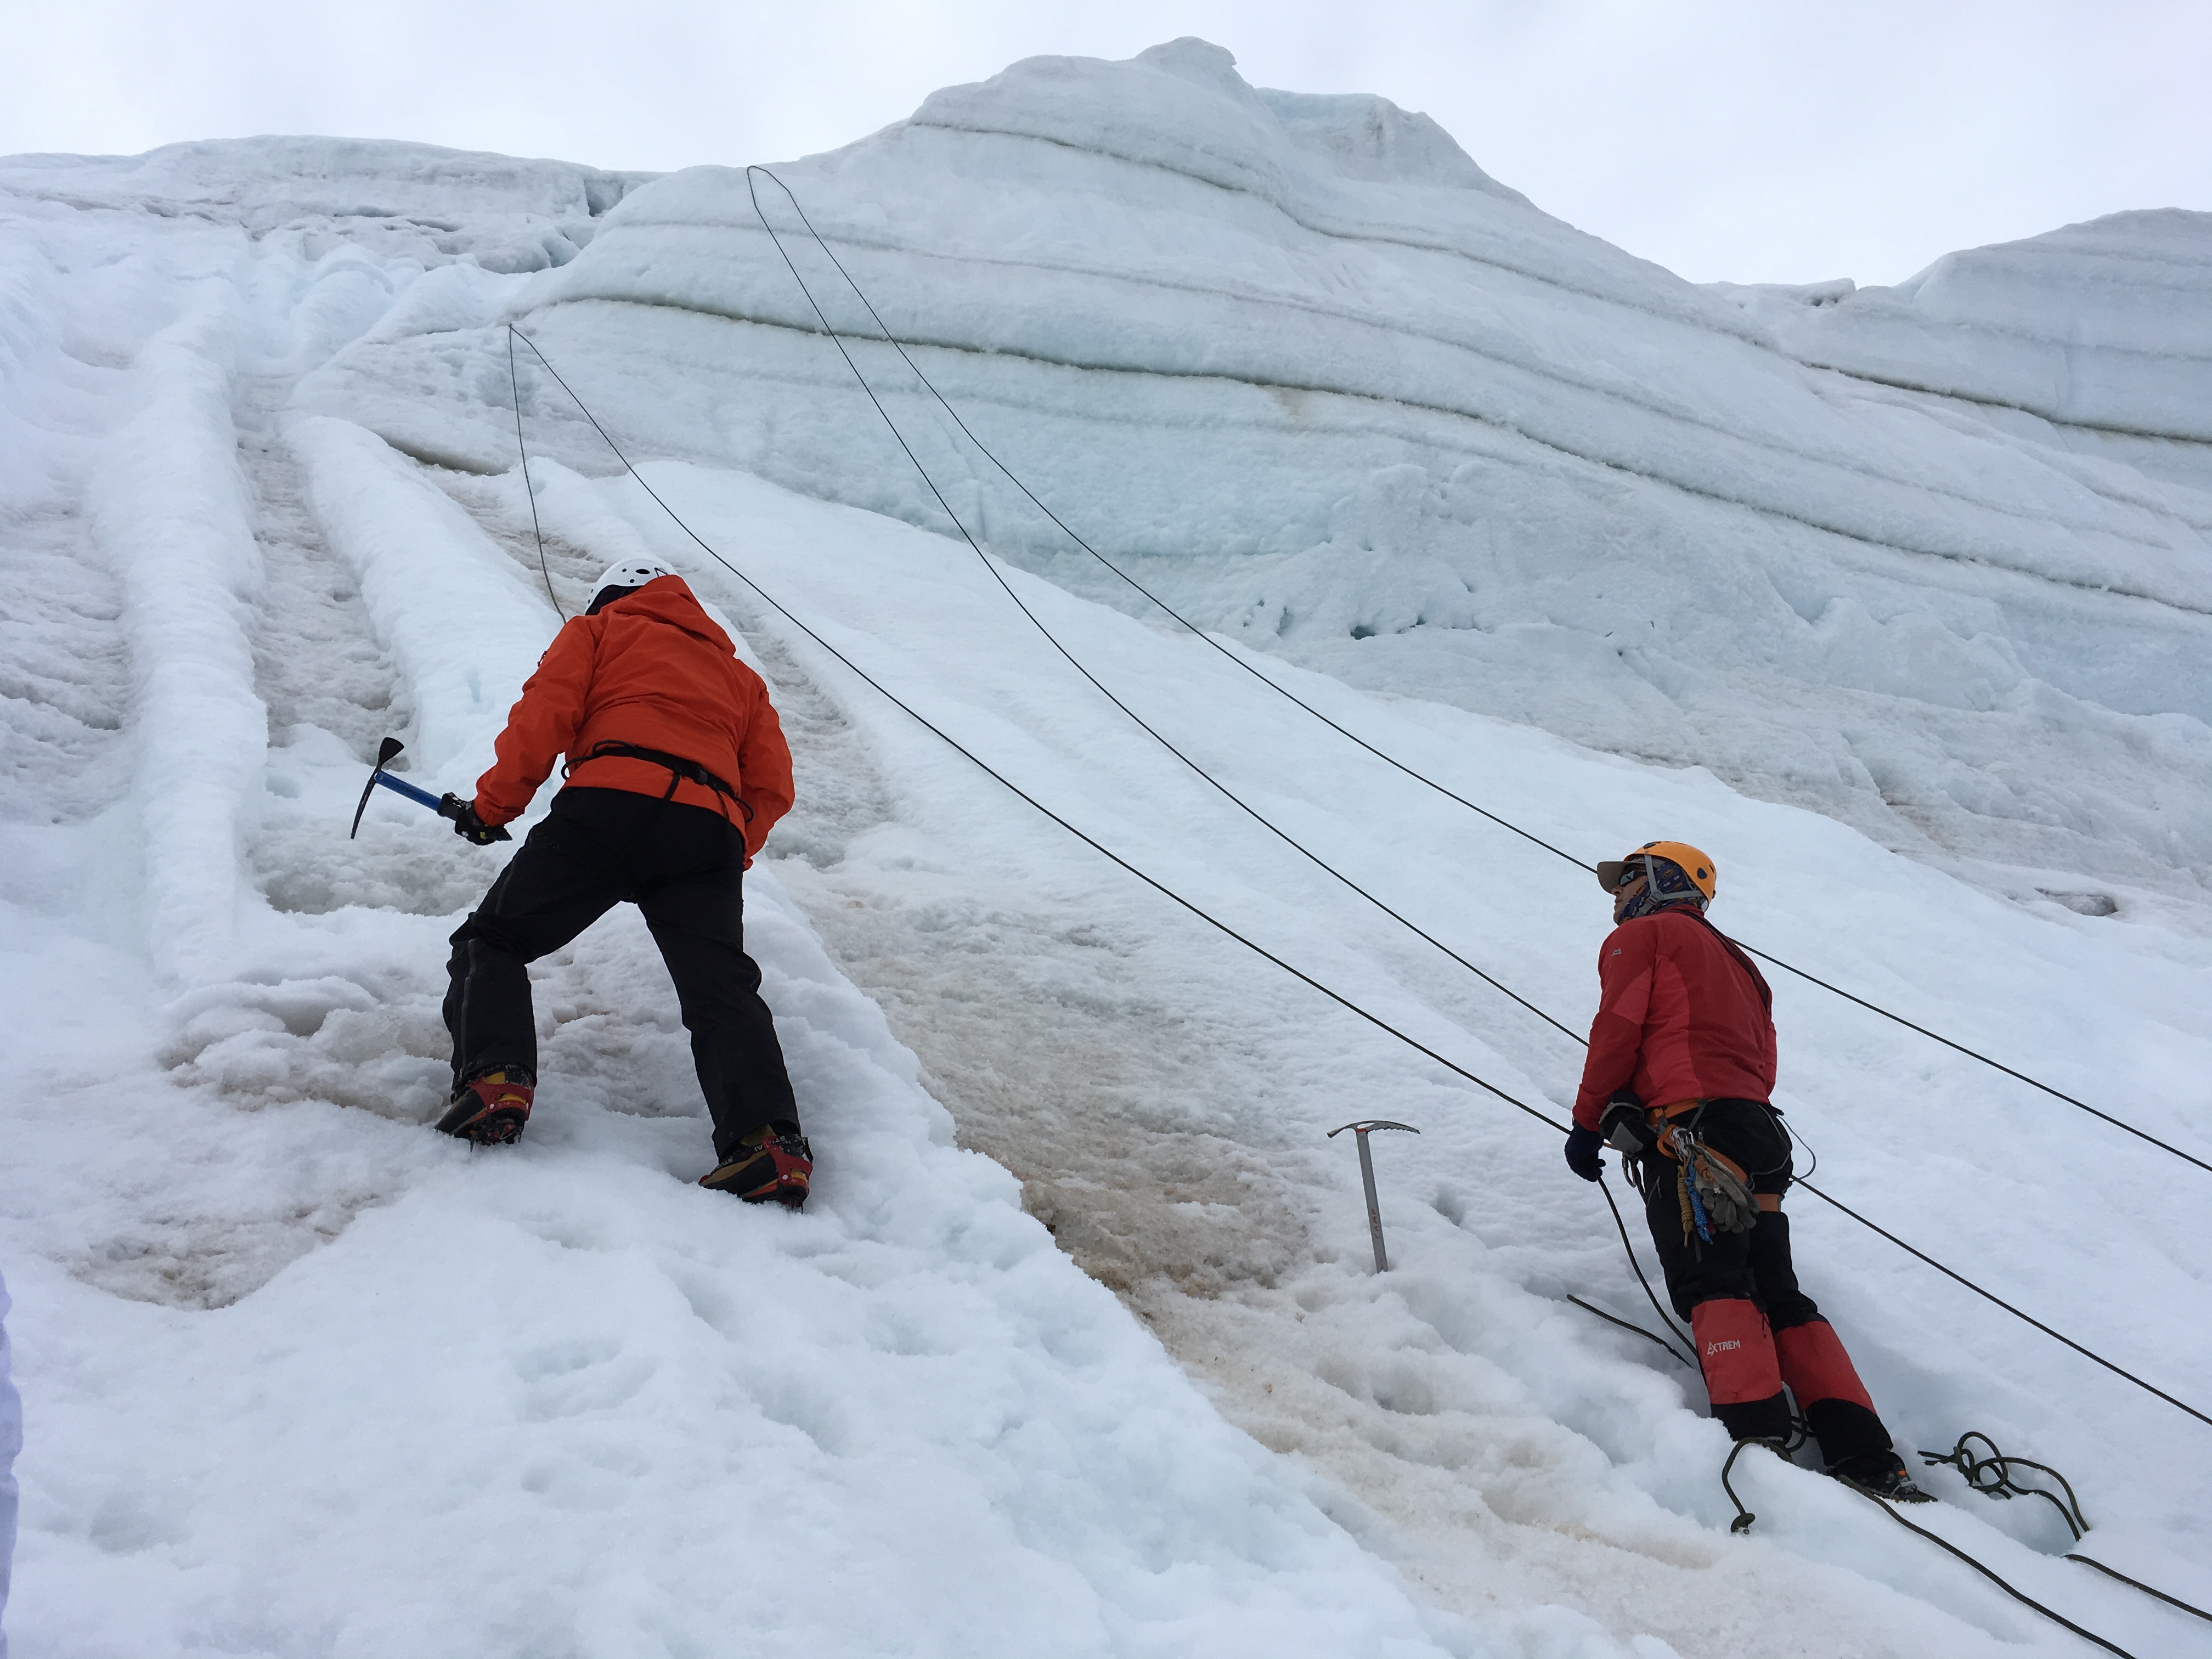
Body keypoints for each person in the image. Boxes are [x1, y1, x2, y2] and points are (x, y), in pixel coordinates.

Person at [437, 558, 812, 1207]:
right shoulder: (742, 678)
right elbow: (772, 784)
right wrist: (721, 848)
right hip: (709, 829)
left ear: (612, 597)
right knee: (721, 989)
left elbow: (544, 715)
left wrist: (491, 810)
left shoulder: (598, 631)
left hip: (609, 799)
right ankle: (769, 1146)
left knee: (492, 940)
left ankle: (496, 1078)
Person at [1562, 840, 1928, 1500]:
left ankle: (1760, 1446)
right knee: (1779, 1289)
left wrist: (1589, 1124)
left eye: (1628, 880)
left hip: (1691, 1134)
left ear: (1662, 882)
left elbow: (1617, 1029)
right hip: (1757, 1133)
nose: (1616, 896)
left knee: (1716, 1280)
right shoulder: (1741, 964)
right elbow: (1762, 1059)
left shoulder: (1643, 936)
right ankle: (1866, 1454)